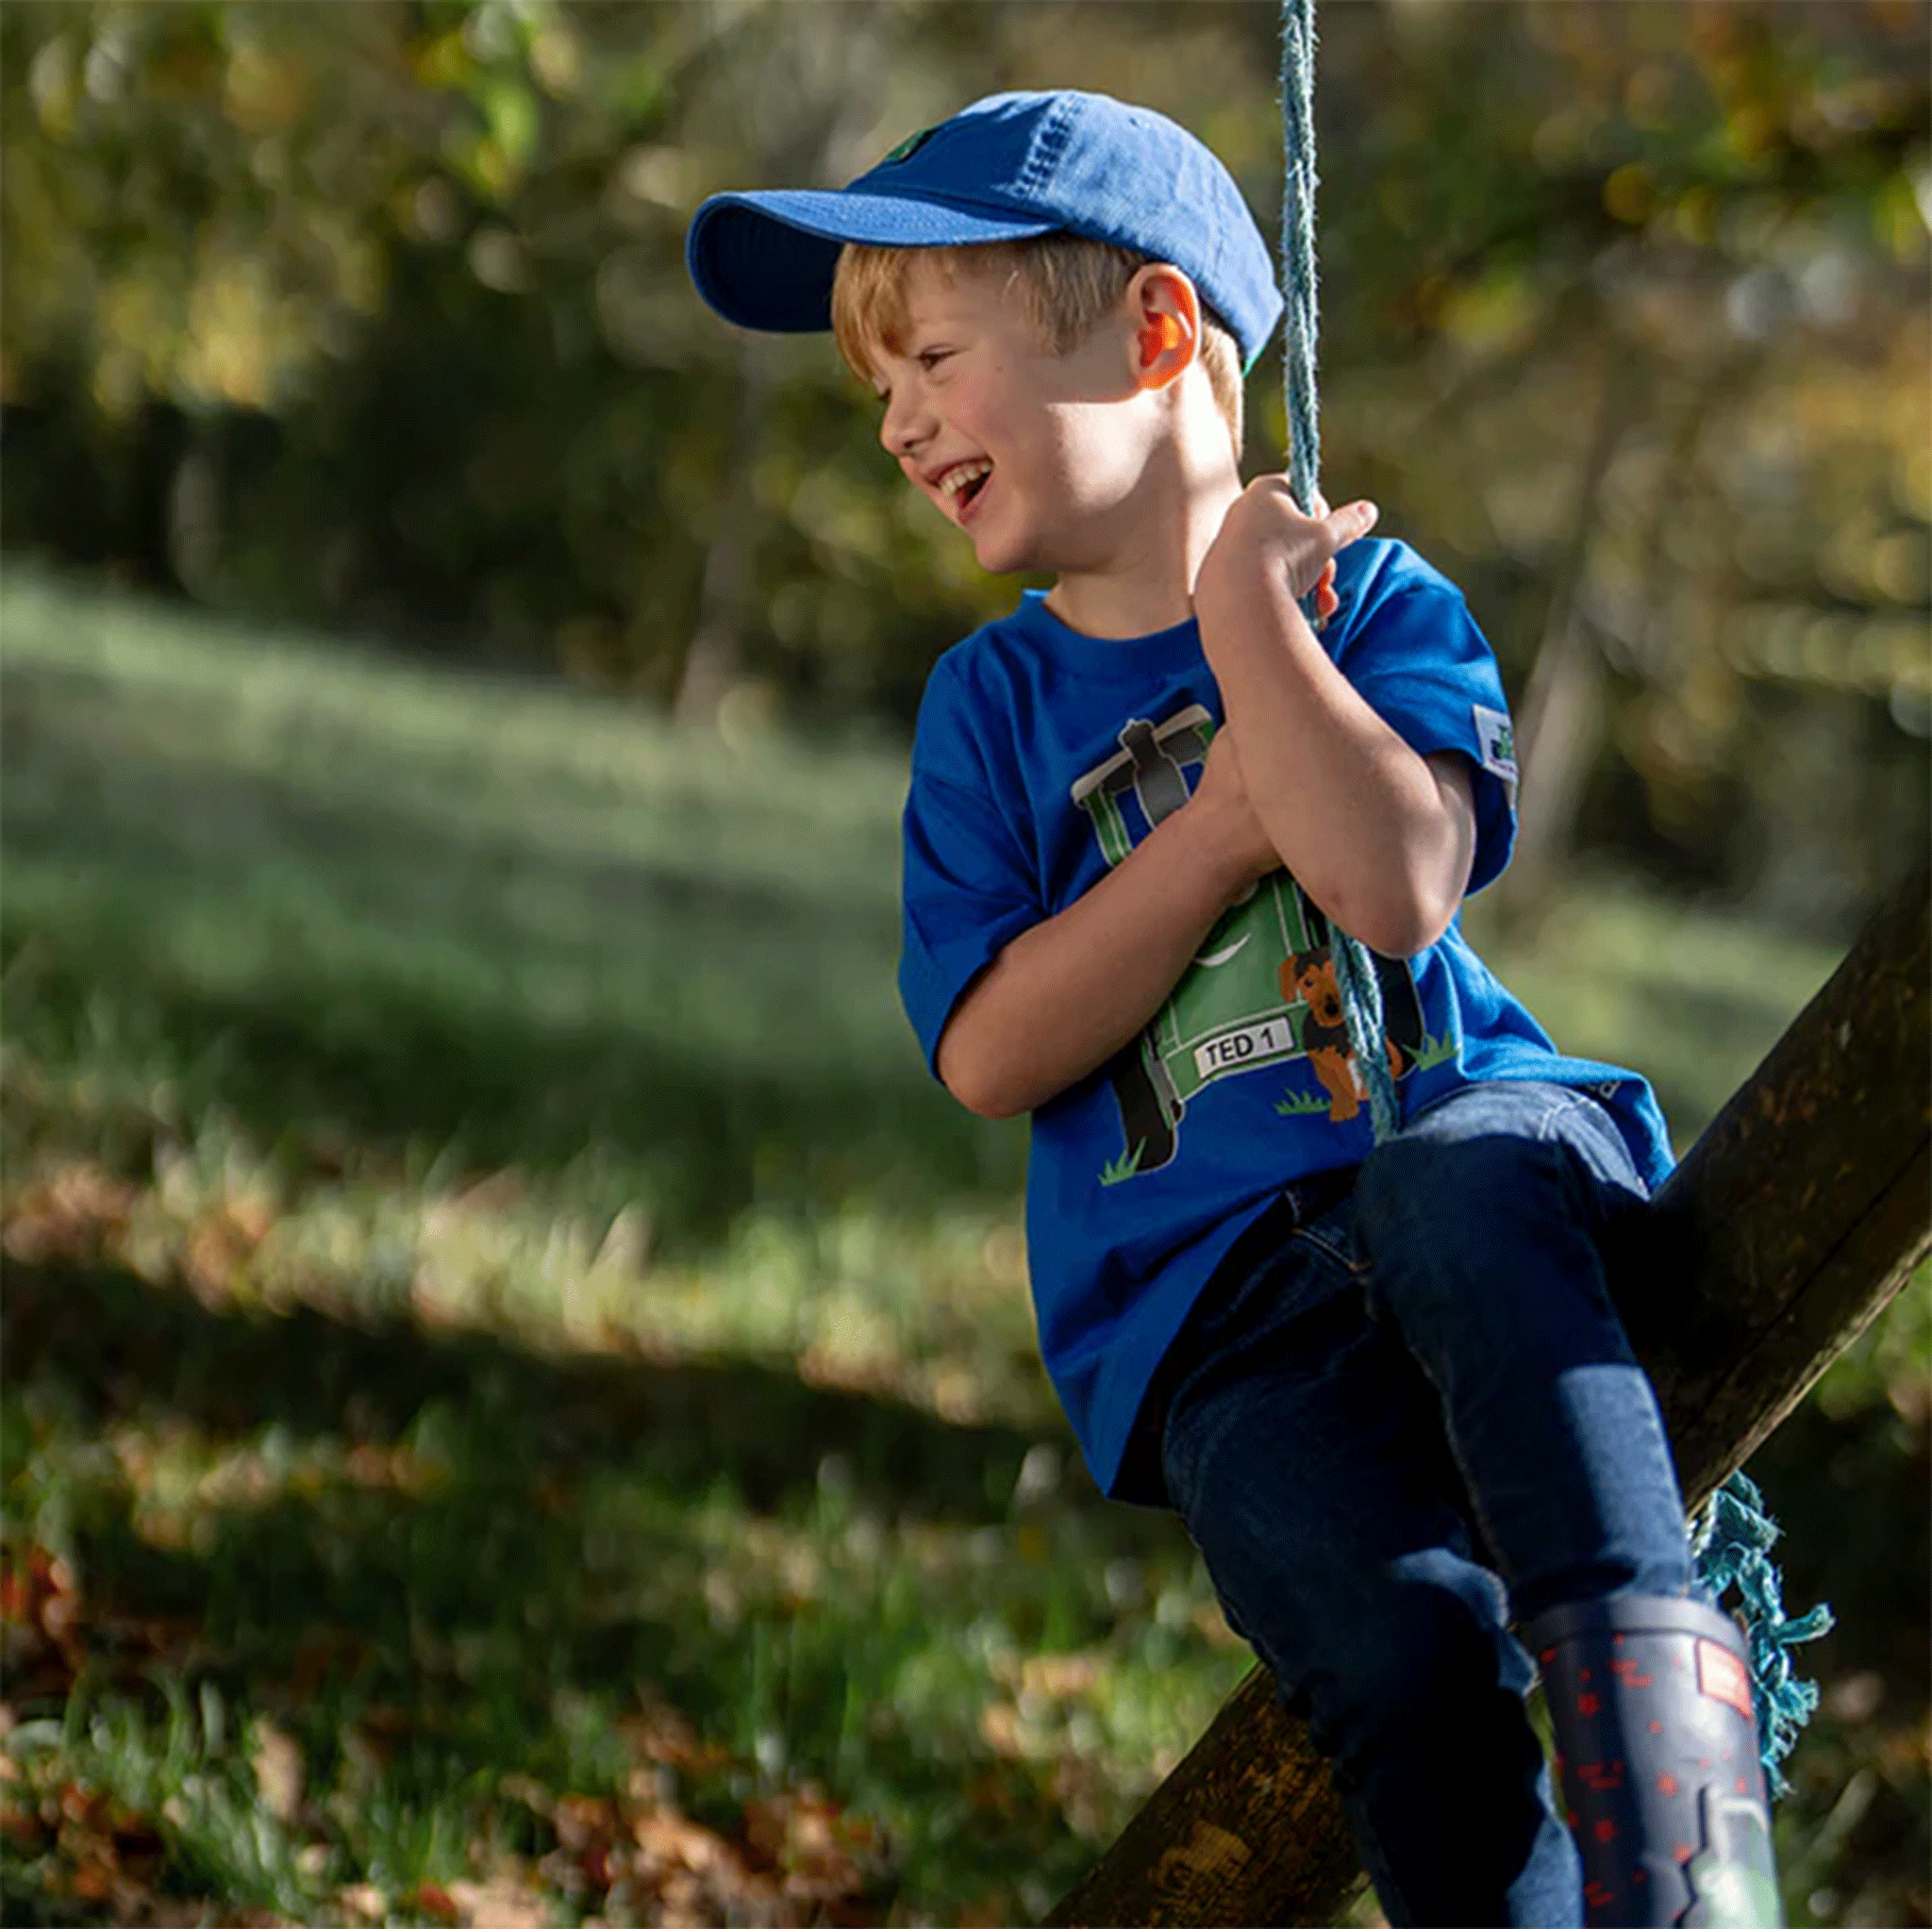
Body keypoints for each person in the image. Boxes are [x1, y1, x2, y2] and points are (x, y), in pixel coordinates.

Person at [687, 90, 1782, 1928]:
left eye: (930, 355)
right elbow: (986, 1048)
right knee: (1394, 1641)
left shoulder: (1371, 600)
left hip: (1462, 1155)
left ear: (1156, 333)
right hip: (1208, 1325)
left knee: (1448, 1192)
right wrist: (1200, 843)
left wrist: (1252, 629)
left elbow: (1394, 884)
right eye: (876, 384)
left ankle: (1671, 1800)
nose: (892, 417)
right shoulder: (986, 708)